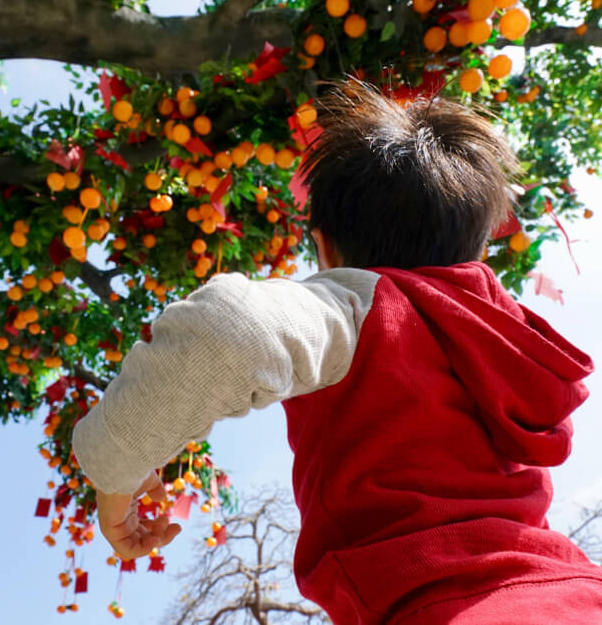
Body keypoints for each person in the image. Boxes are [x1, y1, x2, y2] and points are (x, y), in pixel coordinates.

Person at [71, 80, 602, 624]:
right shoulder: (509, 341)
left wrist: (115, 475)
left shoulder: (368, 307)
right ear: (480, 252)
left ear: (325, 249)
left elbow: (226, 328)